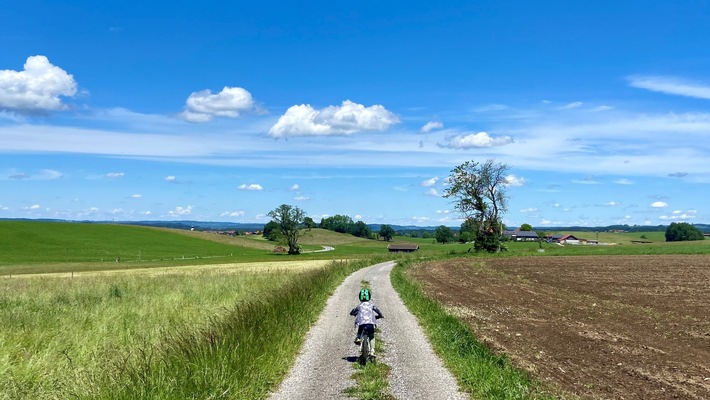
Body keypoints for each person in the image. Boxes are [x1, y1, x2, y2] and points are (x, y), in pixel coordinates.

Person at [350, 288, 384, 357]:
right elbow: (377, 310)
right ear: (369, 297)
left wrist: (352, 313)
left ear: (360, 297)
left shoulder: (359, 306)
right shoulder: (371, 305)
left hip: (362, 323)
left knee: (360, 328)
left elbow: (353, 311)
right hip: (370, 323)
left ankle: (358, 337)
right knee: (371, 336)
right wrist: (380, 315)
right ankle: (372, 351)